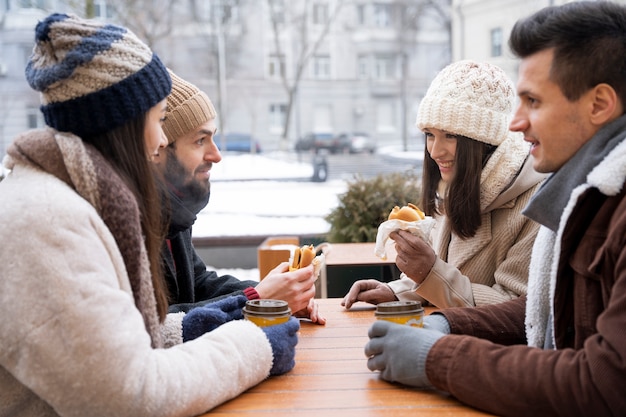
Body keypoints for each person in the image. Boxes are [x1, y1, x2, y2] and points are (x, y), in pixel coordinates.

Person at [0, 13, 298, 417]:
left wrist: (213, 320)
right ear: (123, 124)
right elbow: (131, 396)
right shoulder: (47, 221)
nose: (160, 141)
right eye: (159, 119)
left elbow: (124, 345)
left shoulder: (70, 205)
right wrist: (256, 343)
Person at [364, 2, 626, 415]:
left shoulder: (603, 209)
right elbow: (538, 311)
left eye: (533, 102)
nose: (515, 124)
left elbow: (603, 384)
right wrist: (444, 321)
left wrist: (438, 357)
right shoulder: (585, 196)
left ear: (599, 105)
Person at [343, 60, 546, 309]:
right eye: (430, 134)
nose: (435, 151)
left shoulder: (537, 202)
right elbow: (445, 278)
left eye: (450, 135)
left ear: (484, 140)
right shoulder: (455, 181)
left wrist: (428, 271)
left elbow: (514, 309)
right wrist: (396, 291)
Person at [154, 70, 325, 323]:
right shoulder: (125, 221)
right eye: (200, 140)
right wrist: (256, 299)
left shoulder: (172, 209)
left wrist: (276, 297)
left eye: (213, 137)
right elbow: (153, 325)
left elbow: (198, 283)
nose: (216, 154)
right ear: (158, 148)